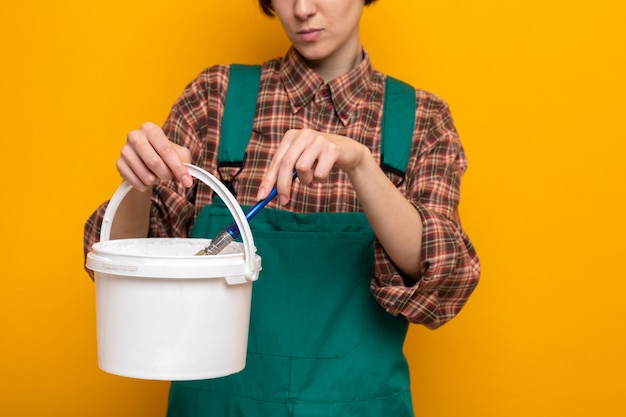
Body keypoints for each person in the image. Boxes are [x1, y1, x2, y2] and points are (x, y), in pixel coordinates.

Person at [84, 0, 480, 415]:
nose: (303, 9)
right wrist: (139, 182)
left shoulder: (421, 119)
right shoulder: (215, 98)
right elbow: (118, 269)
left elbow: (445, 283)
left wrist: (362, 165)